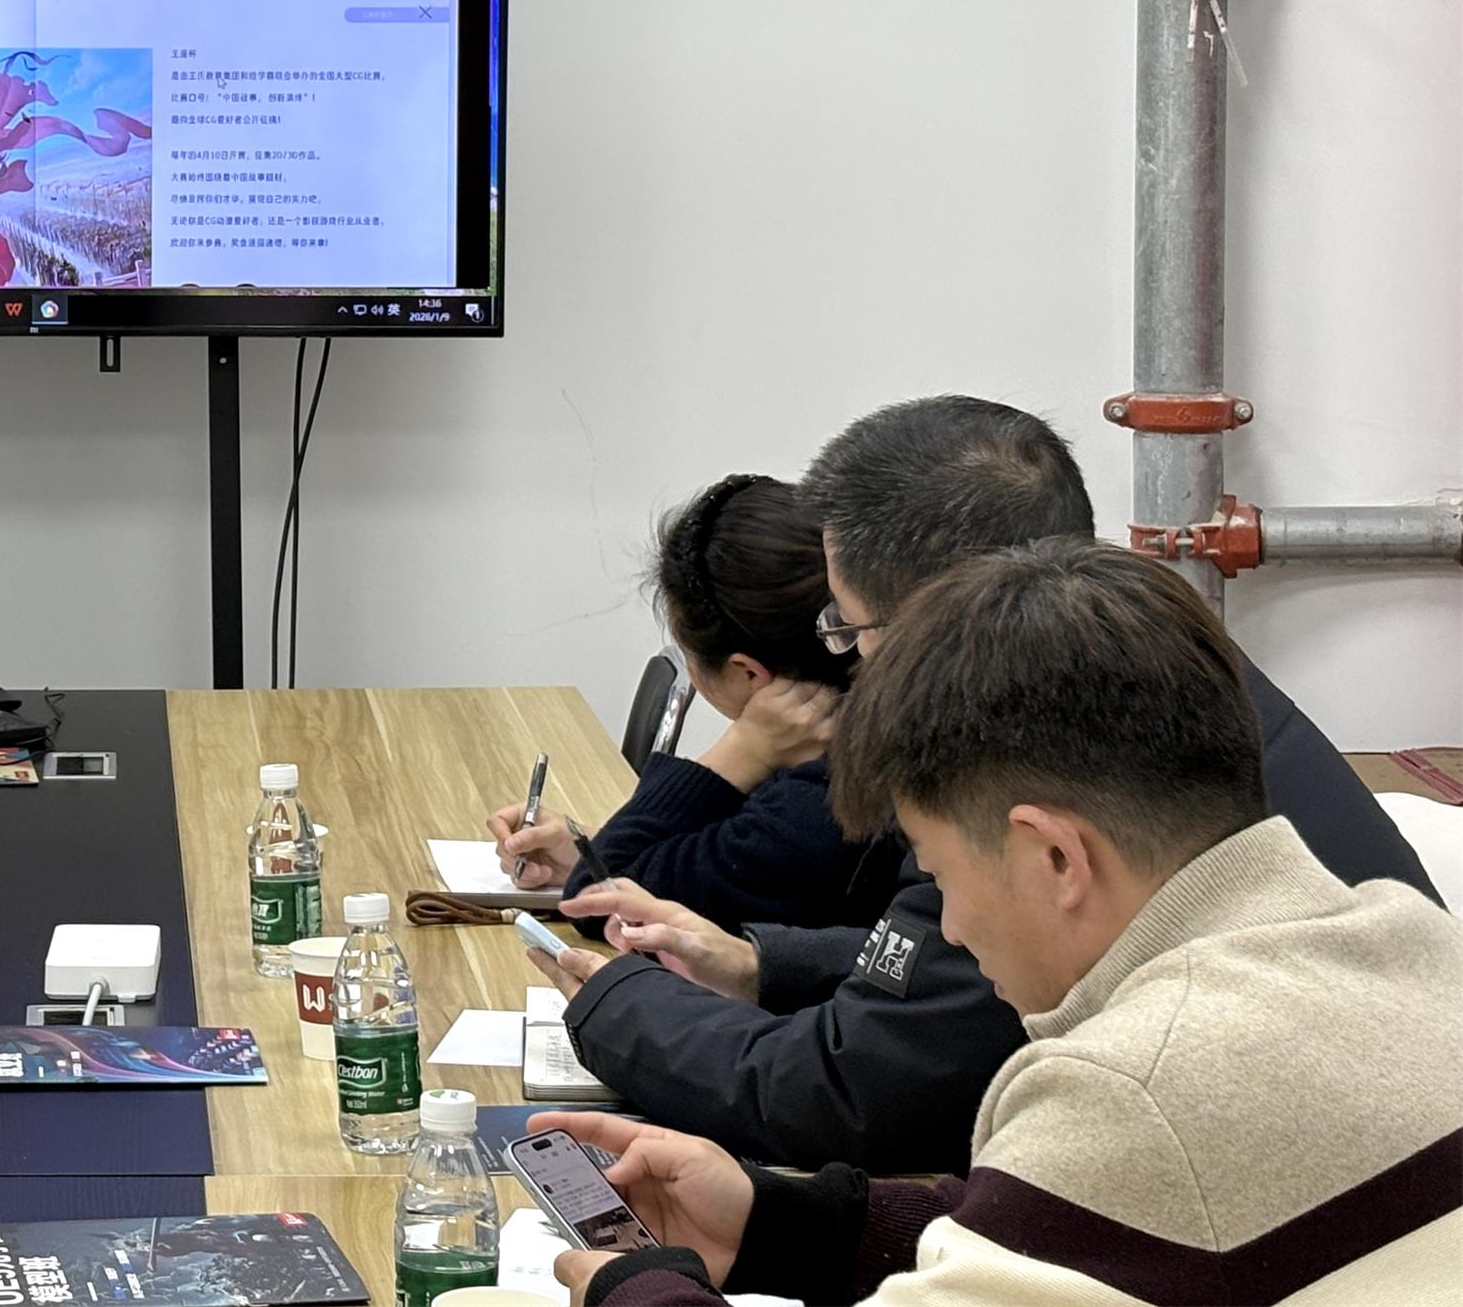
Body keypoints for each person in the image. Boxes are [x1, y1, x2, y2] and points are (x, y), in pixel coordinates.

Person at [533, 539, 1463, 1307]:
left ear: (1054, 857)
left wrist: (635, 1288)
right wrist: (787, 1224)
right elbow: (1092, 1241)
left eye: (938, 876)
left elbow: (1121, 1174)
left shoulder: (1128, 1086)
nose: (952, 929)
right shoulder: (1407, 936)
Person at [542, 395, 1439, 1172]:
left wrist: (615, 1003)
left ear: (941, 616)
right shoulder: (1162, 660)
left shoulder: (1021, 755)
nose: (851, 662)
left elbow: (857, 1095)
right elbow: (948, 985)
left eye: (849, 628)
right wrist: (763, 963)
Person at [488, 475, 875, 937]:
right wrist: (586, 850)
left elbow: (595, 901)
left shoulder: (817, 807)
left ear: (748, 673)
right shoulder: (857, 747)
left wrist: (741, 750)